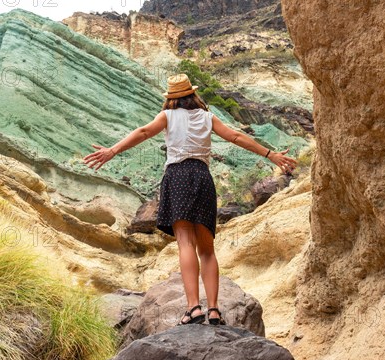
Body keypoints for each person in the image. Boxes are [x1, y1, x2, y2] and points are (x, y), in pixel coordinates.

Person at [83, 74, 298, 326]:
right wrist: (271, 154)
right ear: (193, 94)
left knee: (185, 243)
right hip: (202, 177)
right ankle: (215, 310)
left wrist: (112, 150)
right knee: (207, 249)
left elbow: (143, 132)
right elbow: (236, 137)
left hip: (177, 176)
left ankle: (193, 308)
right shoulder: (208, 117)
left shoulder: (167, 116)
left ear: (171, 98)